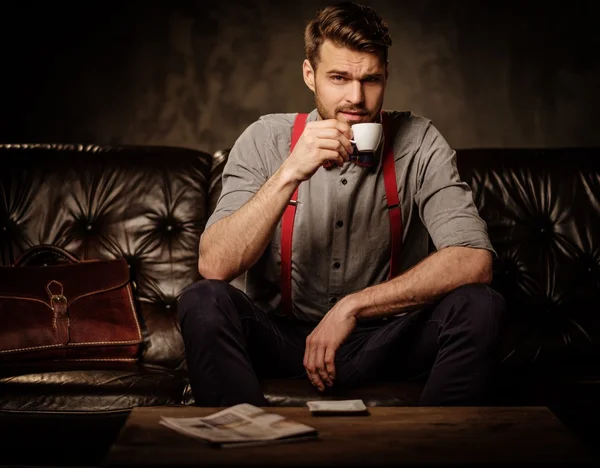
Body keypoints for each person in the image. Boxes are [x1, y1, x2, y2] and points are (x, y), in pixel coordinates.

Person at [178, 1, 506, 407]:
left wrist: (354, 307)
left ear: (386, 77)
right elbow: (215, 266)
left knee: (480, 305)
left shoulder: (419, 141)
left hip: (381, 340)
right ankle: (251, 442)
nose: (357, 97)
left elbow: (474, 260)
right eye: (339, 77)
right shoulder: (265, 140)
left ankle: (434, 447)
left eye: (371, 79)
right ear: (309, 75)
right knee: (202, 300)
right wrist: (290, 172)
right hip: (282, 338)